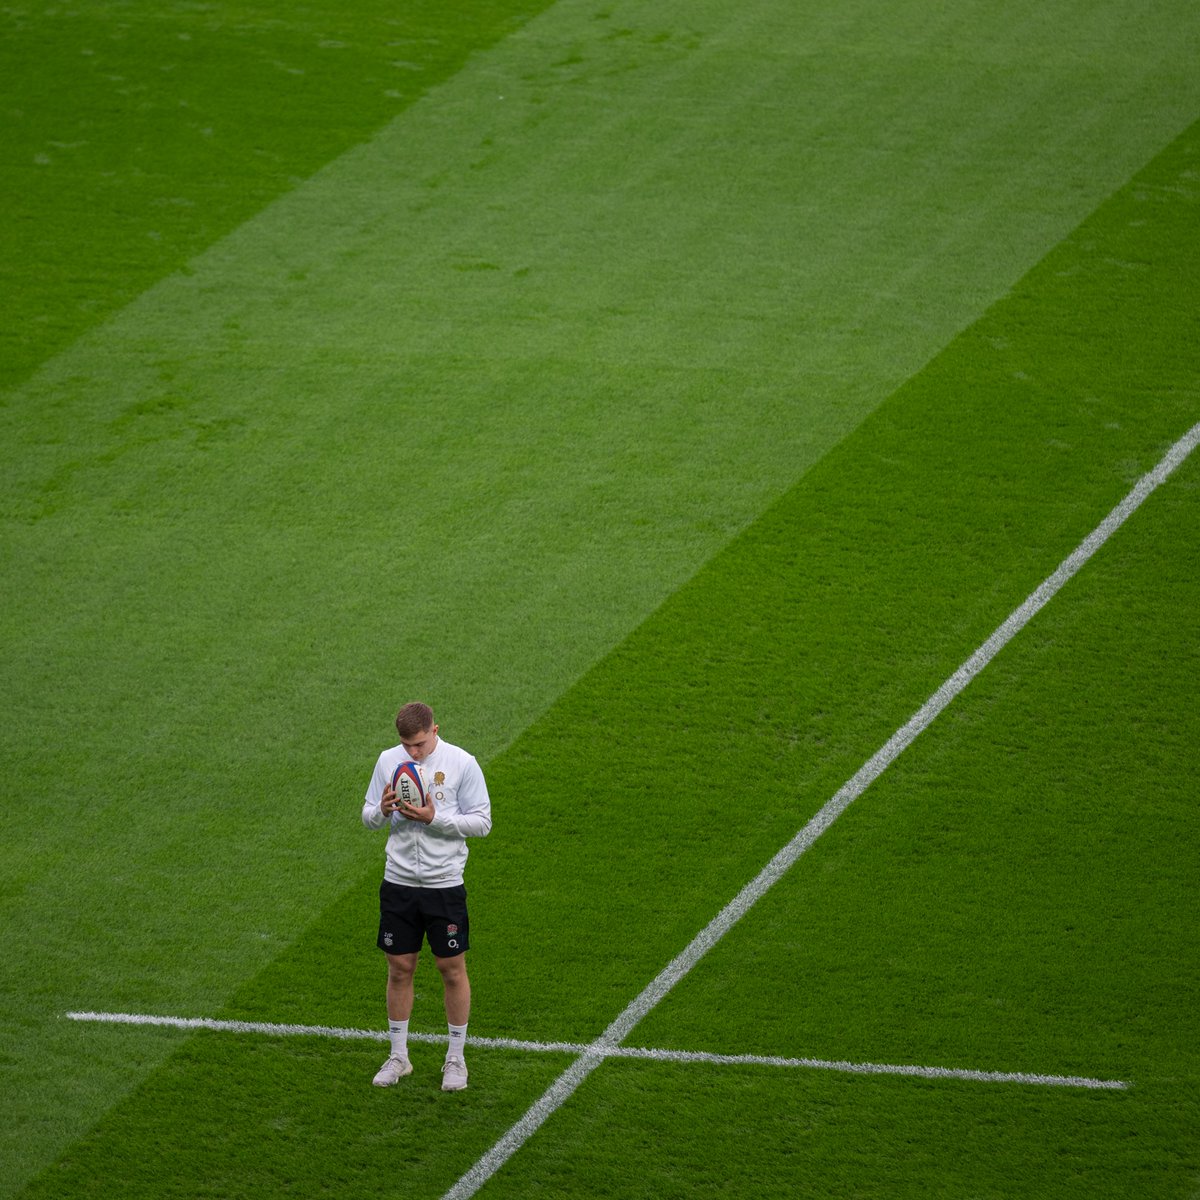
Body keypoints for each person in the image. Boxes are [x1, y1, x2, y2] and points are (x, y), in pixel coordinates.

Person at [361, 702, 492, 1091]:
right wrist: (382, 811)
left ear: (436, 730)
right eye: (406, 745)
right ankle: (399, 1056)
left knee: (451, 968)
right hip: (398, 881)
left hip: (443, 884)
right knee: (399, 967)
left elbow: (482, 822)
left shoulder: (462, 763)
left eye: (418, 744)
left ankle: (455, 1059)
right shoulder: (388, 761)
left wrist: (435, 819)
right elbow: (367, 815)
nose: (412, 752)